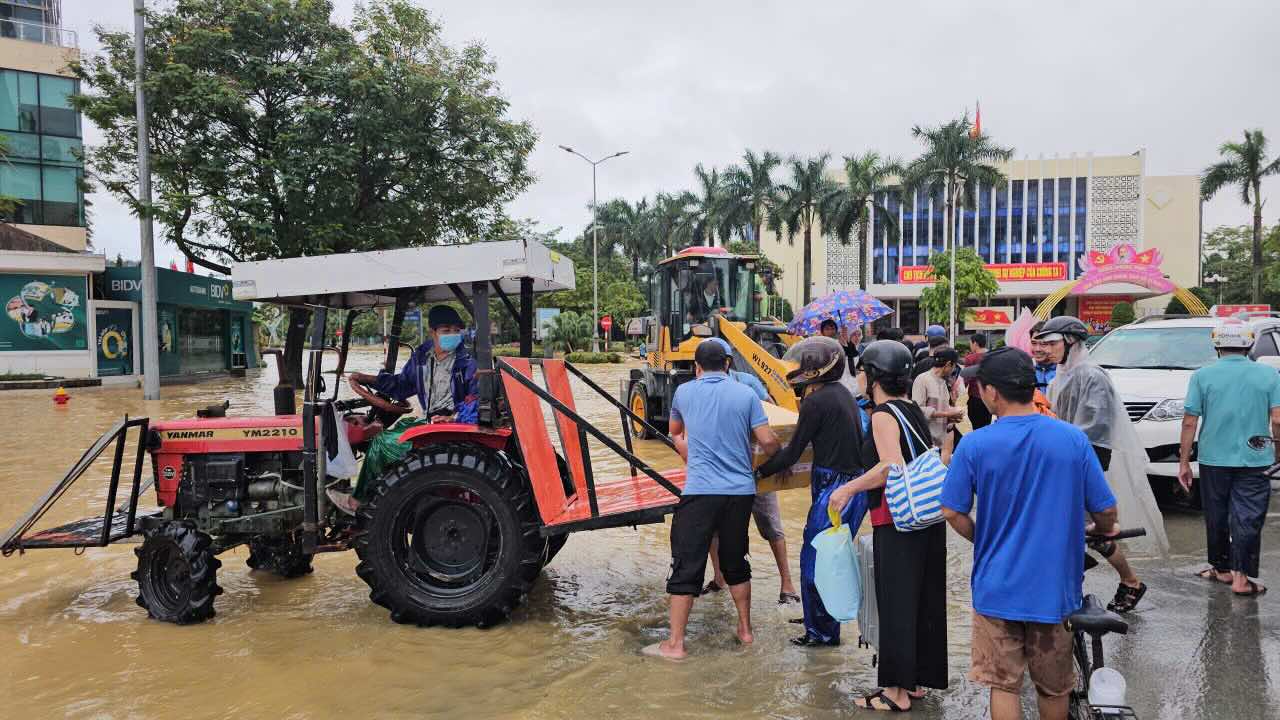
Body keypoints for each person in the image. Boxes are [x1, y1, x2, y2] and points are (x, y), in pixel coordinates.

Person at [940, 347, 1119, 720]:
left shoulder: (974, 444)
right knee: (1053, 688)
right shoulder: (1071, 439)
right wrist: (1105, 529)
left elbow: (952, 511)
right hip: (1055, 590)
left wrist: (984, 539)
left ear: (992, 392)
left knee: (1004, 685)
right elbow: (1104, 509)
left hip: (996, 589)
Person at [828, 340, 947, 712]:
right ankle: (917, 681)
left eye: (863, 371)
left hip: (898, 521)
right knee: (924, 599)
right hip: (928, 517)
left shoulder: (882, 414)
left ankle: (896, 692)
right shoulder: (910, 409)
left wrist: (847, 489)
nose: (860, 377)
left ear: (874, 376)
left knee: (896, 602)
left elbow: (889, 467)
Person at [645, 340, 781, 660]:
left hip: (700, 491)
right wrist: (768, 456)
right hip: (740, 493)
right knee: (736, 561)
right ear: (728, 364)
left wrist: (689, 454)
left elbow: (675, 431)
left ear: (697, 366)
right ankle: (745, 631)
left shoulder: (684, 393)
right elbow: (768, 442)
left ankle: (676, 644)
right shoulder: (746, 395)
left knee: (686, 563)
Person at [1035, 315, 1169, 613]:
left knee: (1089, 530)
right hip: (1064, 458)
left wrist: (1067, 451)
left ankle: (1127, 582)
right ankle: (1117, 582)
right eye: (1043, 344)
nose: (1046, 349)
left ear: (1071, 342)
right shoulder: (1060, 376)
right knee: (1079, 530)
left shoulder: (1092, 376)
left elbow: (1097, 426)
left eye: (1052, 343)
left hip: (1085, 460)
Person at [756, 336, 867, 646]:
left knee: (815, 561)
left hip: (835, 488)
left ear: (818, 369)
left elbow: (792, 453)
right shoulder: (842, 394)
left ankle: (821, 635)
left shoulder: (815, 403)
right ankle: (816, 618)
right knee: (829, 559)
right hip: (850, 486)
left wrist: (759, 473)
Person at [1178, 319, 1280, 597]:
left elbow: (1189, 421)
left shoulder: (1202, 376)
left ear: (1216, 344)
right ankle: (1241, 578)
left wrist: (1184, 462)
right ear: (1250, 344)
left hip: (1213, 458)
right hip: (1256, 458)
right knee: (1247, 517)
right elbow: (1277, 419)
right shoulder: (1269, 375)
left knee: (1216, 514)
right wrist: (1277, 452)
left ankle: (1221, 569)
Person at [343, 305, 478, 505]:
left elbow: (477, 400)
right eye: (446, 330)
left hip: (452, 426)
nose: (452, 335)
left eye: (456, 330)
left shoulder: (468, 362)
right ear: (433, 332)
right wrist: (369, 379)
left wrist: (454, 417)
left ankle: (361, 502)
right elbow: (401, 386)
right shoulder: (422, 358)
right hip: (431, 421)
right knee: (399, 428)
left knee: (381, 443)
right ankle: (388, 495)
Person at [698, 339, 799, 604]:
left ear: (727, 363)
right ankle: (719, 578)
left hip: (755, 472)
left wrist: (779, 461)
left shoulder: (748, 384)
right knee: (714, 530)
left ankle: (787, 584)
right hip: (723, 472)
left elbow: (772, 420)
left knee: (771, 527)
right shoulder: (701, 389)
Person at [912, 347, 964, 448]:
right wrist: (947, 414)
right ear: (948, 364)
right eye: (954, 366)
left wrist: (952, 417)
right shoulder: (922, 379)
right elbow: (917, 409)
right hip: (926, 441)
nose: (954, 370)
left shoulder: (943, 382)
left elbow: (941, 409)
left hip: (939, 441)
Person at [962, 334, 992, 429]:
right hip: (990, 398)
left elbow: (965, 380)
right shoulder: (992, 356)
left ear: (975, 343)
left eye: (970, 343)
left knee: (977, 427)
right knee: (987, 426)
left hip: (976, 399)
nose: (970, 346)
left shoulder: (970, 358)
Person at [1029, 322, 1058, 391]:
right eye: (1034, 343)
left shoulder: (1064, 371)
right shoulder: (1025, 369)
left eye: (1043, 344)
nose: (1037, 349)